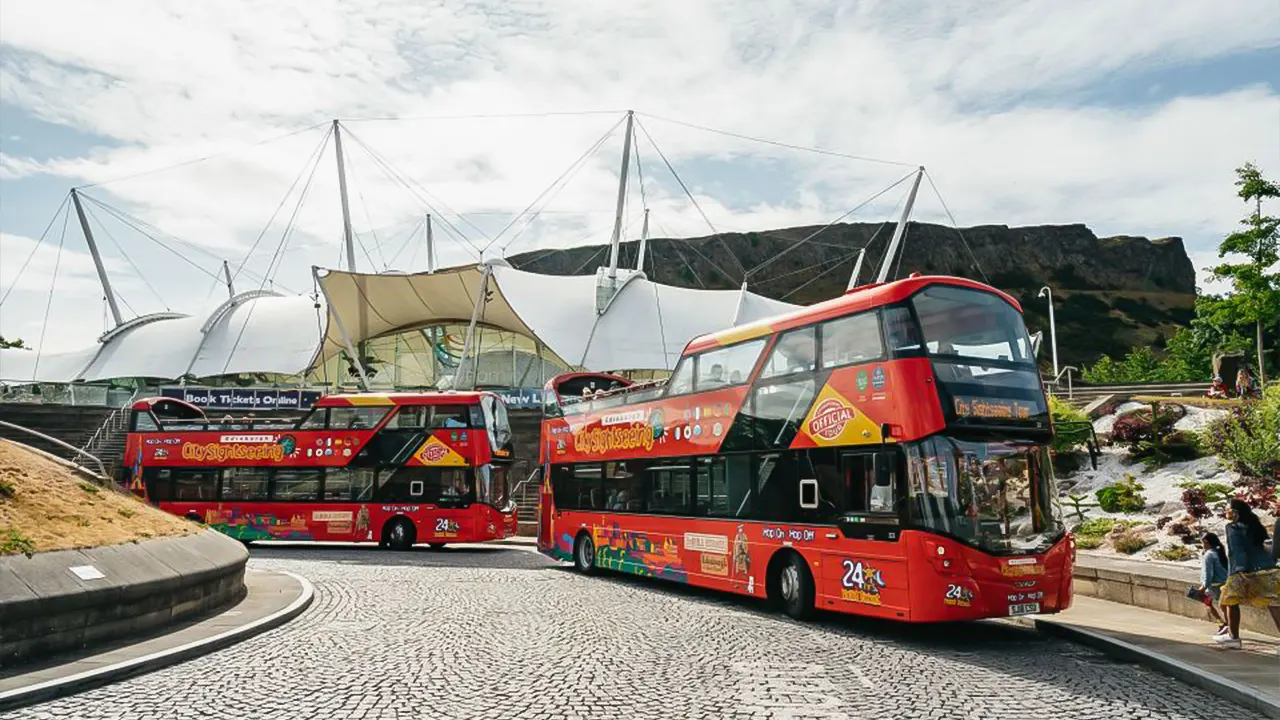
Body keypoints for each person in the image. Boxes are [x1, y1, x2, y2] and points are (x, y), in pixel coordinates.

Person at [1215, 499, 1280, 648]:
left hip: (1245, 571)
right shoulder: (1255, 525)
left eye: (1227, 509)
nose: (1225, 512)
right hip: (1269, 570)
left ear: (1235, 513)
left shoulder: (1232, 527)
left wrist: (1237, 571)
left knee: (1229, 601)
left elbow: (1236, 551)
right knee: (1275, 605)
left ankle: (1234, 638)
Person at [1197, 533, 1229, 635]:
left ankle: (1223, 624)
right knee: (1225, 606)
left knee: (1208, 603)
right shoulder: (1218, 552)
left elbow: (1208, 573)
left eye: (1202, 543)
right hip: (1224, 583)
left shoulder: (1209, 555)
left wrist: (1203, 587)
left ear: (1206, 542)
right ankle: (1227, 625)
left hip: (1214, 586)